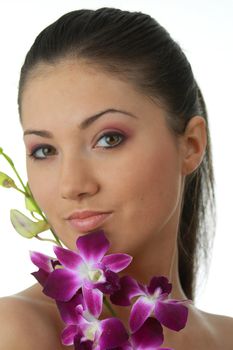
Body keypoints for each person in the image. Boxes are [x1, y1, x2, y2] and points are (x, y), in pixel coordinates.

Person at [0, 6, 232, 349]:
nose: (72, 186)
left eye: (109, 139)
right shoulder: (16, 329)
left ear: (191, 145)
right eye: (44, 150)